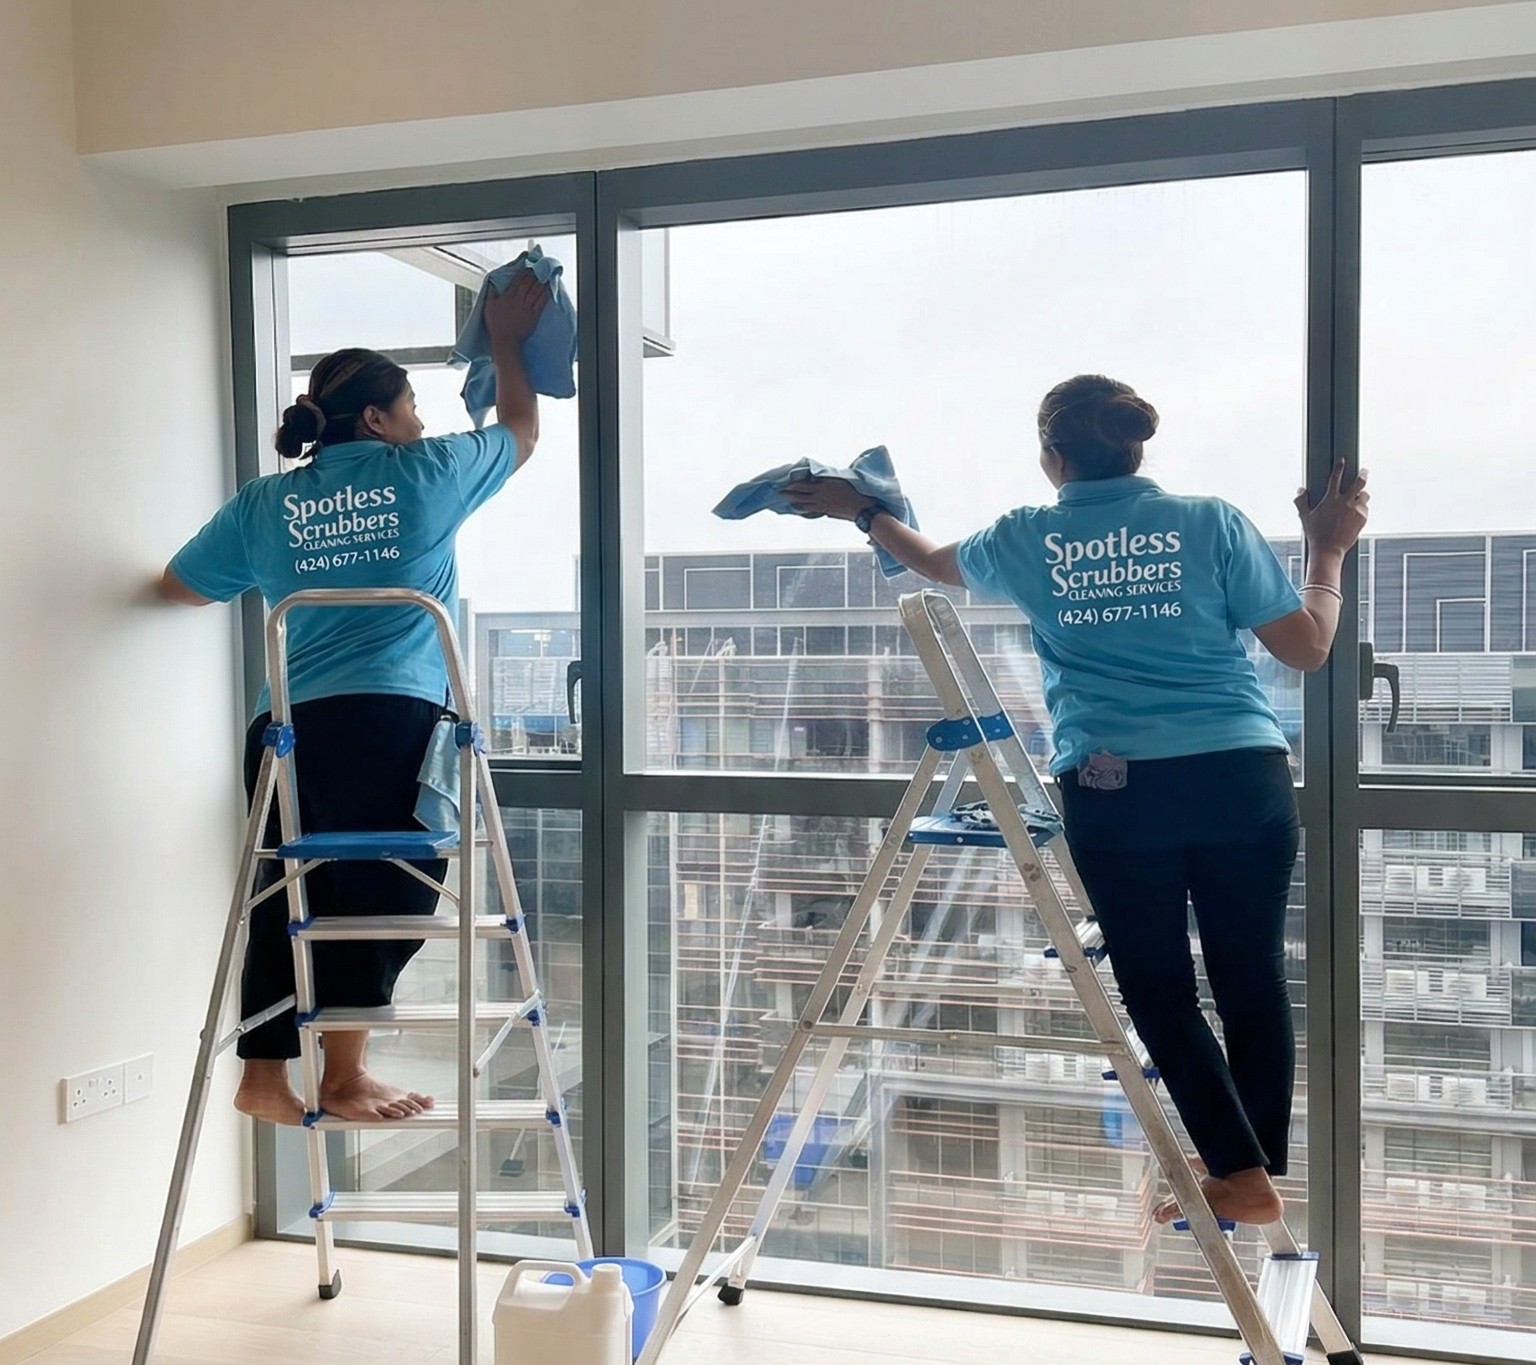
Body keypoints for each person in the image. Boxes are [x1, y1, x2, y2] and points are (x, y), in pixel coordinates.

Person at [784, 374, 1368, 1226]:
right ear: (1136, 446)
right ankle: (1251, 1169)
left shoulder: (1028, 536)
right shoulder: (1210, 522)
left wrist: (860, 510)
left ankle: (1240, 1169)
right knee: (1250, 977)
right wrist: (1330, 547)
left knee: (1160, 986)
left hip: (1118, 788)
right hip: (1240, 776)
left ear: (1053, 458)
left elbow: (932, 560)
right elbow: (1308, 648)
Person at [157, 272, 551, 1125]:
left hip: (287, 728)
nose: (418, 419)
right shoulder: (427, 470)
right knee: (393, 885)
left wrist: (290, 560)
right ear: (377, 420)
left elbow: (182, 586)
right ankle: (342, 1073)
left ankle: (262, 1075)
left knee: (285, 891)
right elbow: (522, 428)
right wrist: (508, 342)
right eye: (409, 404)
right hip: (391, 718)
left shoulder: (267, 500)